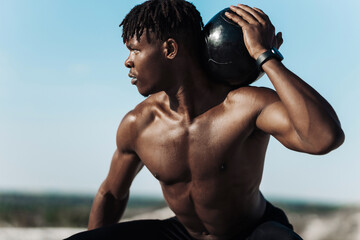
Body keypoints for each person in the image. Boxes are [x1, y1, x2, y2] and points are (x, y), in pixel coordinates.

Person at [66, 0, 344, 239]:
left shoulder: (244, 106)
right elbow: (111, 195)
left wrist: (266, 57)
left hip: (251, 231)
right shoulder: (138, 124)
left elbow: (324, 138)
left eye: (136, 50)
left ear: (170, 49)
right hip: (185, 235)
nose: (128, 61)